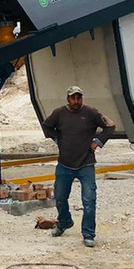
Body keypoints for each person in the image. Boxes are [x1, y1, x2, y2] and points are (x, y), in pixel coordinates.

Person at [42, 86, 116, 247]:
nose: (76, 101)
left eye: (79, 97)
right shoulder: (59, 113)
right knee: (60, 197)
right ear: (68, 99)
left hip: (86, 164)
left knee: (89, 200)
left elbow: (110, 127)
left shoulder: (91, 113)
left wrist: (97, 142)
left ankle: (88, 233)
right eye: (73, 98)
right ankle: (64, 222)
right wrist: (57, 138)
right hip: (65, 164)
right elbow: (47, 126)